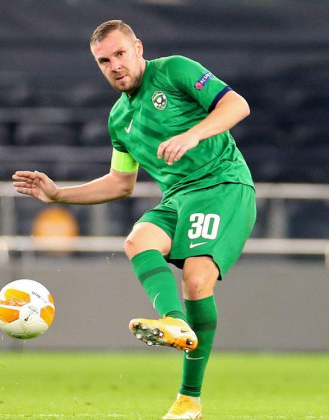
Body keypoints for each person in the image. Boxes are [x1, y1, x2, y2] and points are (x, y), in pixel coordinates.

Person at [13, 20, 256, 419]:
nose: (114, 66)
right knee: (136, 241)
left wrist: (193, 134)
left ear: (138, 48)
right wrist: (58, 194)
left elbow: (237, 105)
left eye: (120, 54)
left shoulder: (175, 70)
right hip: (178, 197)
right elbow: (120, 183)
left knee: (196, 280)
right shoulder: (118, 120)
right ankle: (175, 326)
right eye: (104, 60)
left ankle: (188, 397)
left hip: (221, 184)